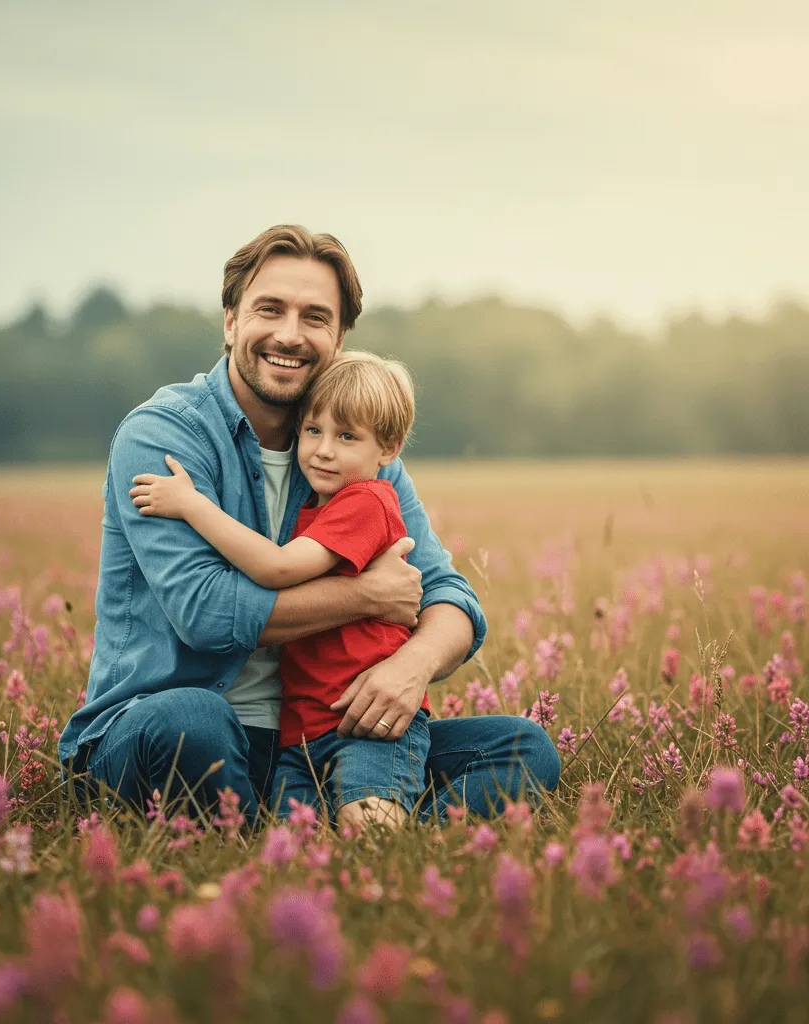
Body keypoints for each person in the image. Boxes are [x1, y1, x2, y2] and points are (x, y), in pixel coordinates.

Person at [57, 223, 560, 823]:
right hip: (168, 729)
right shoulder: (163, 435)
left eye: (315, 317)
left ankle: (338, 831)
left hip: (318, 735)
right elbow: (207, 614)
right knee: (191, 719)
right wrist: (365, 595)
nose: (289, 335)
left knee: (524, 749)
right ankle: (325, 824)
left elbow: (449, 597)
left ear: (339, 338)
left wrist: (412, 666)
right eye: (269, 309)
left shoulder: (355, 452)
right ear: (231, 322)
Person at [129, 352, 429, 829]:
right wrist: (368, 594)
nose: (324, 450)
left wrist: (191, 505)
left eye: (346, 437)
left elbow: (277, 568)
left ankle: (387, 864)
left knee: (369, 821)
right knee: (292, 837)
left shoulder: (366, 501)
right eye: (313, 430)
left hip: (367, 724)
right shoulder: (321, 505)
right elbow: (209, 612)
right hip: (306, 730)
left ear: (389, 449)